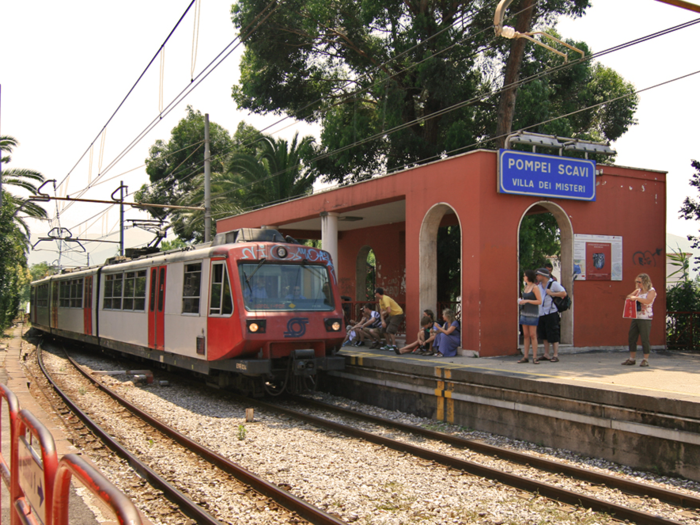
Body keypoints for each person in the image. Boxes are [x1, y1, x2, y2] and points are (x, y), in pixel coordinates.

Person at [622, 273, 657, 367]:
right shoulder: (638, 291)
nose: (638, 283)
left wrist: (637, 298)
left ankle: (645, 359)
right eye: (637, 281)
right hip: (636, 316)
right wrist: (632, 297)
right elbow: (628, 296)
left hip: (645, 318)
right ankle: (632, 358)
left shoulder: (651, 291)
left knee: (645, 338)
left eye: (640, 282)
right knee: (632, 337)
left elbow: (648, 301)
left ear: (645, 282)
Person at [535, 268, 567, 362]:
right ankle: (546, 354)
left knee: (553, 333)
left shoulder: (554, 284)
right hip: (542, 312)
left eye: (538, 275)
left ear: (543, 276)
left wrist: (552, 293)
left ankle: (555, 354)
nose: (537, 276)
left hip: (551, 312)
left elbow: (563, 293)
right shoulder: (539, 285)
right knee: (544, 334)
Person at [517, 269, 542, 364]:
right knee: (526, 335)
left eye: (525, 275)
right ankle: (525, 356)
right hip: (524, 312)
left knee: (533, 335)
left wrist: (527, 301)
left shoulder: (535, 287)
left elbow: (539, 301)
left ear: (528, 276)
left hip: (532, 313)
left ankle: (535, 357)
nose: (523, 277)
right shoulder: (526, 287)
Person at [374, 288, 405, 352]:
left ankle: (394, 345)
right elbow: (381, 311)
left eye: (375, 293)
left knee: (390, 330)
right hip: (392, 315)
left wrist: (384, 313)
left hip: (398, 314)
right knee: (383, 329)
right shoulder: (380, 300)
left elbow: (388, 310)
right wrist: (382, 321)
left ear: (378, 293)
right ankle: (388, 344)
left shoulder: (385, 299)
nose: (374, 294)